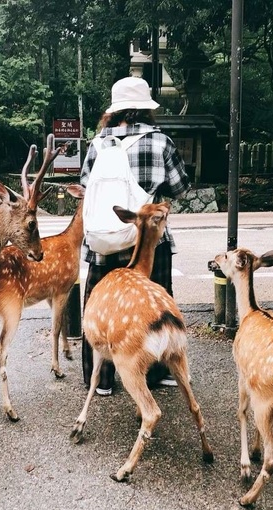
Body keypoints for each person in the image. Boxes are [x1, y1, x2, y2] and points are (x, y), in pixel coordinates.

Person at [80, 76, 191, 396]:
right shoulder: (161, 142)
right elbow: (180, 188)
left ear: (115, 111)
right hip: (148, 242)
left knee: (98, 305)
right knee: (154, 306)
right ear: (145, 110)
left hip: (104, 239)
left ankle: (99, 379)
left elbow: (86, 189)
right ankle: (155, 373)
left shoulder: (98, 143)